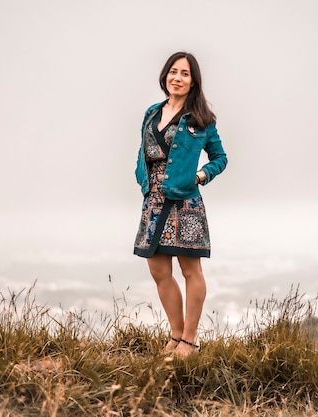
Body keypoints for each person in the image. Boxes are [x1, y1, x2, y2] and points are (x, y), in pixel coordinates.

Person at [133, 51, 228, 357]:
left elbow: (220, 158)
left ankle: (189, 340)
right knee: (158, 269)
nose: (177, 77)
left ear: (193, 81)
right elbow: (143, 152)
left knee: (191, 270)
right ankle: (175, 335)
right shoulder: (151, 112)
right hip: (154, 200)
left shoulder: (201, 120)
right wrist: (142, 180)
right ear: (165, 75)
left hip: (185, 201)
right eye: (173, 71)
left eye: (185, 73)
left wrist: (199, 176)